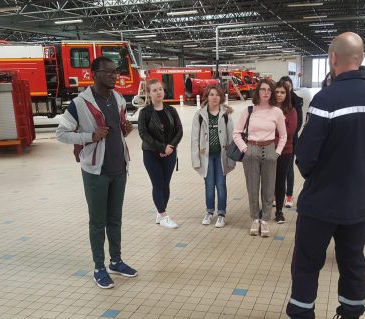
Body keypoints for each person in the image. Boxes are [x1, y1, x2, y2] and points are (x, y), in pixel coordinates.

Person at [272, 32, 365, 319]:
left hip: (321, 203)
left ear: (333, 59)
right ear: (362, 58)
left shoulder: (326, 100)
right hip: (357, 204)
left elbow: (307, 155)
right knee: (353, 265)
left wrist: (317, 175)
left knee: (307, 265)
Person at [56, 56, 137, 289]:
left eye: (115, 72)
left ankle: (116, 261)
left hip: (119, 167)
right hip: (95, 170)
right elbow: (61, 133)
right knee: (97, 221)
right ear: (95, 74)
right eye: (108, 71)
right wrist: (89, 136)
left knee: (115, 219)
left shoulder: (119, 99)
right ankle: (99, 267)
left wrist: (126, 129)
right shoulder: (79, 103)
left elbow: (119, 129)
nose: (114, 75)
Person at [233, 79, 287, 237]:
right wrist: (245, 149)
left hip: (270, 149)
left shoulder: (277, 112)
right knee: (252, 187)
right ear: (257, 92)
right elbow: (236, 133)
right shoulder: (249, 110)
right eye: (263, 89)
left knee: (269, 188)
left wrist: (277, 152)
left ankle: (265, 220)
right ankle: (255, 218)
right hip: (251, 149)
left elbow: (283, 135)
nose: (266, 92)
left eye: (269, 90)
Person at [138, 79, 184, 229]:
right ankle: (164, 215)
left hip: (170, 153)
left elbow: (179, 131)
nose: (159, 92)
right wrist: (161, 148)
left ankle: (160, 212)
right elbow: (143, 134)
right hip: (151, 154)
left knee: (165, 184)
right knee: (157, 184)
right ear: (148, 93)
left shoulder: (171, 110)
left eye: (160, 89)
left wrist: (170, 147)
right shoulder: (145, 112)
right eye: (155, 90)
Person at [190, 85, 236, 228]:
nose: (214, 97)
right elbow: (194, 139)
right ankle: (209, 212)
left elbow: (231, 139)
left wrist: (230, 159)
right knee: (209, 185)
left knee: (221, 185)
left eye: (217, 95)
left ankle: (221, 214)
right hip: (207, 157)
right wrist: (195, 159)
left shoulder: (226, 115)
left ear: (221, 97)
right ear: (207, 97)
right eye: (211, 95)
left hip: (221, 157)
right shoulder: (199, 115)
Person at [273, 80, 298, 223]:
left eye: (282, 92)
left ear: (287, 94)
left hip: (285, 151)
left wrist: (273, 131)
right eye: (277, 92)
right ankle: (265, 207)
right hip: (268, 150)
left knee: (280, 180)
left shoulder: (291, 111)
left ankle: (279, 211)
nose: (279, 95)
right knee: (268, 181)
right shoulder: (269, 109)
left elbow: (290, 132)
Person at [277, 76, 303, 209]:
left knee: (289, 170)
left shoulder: (296, 103)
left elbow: (297, 125)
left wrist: (285, 135)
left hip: (290, 142)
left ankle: (289, 195)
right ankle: (277, 196)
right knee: (277, 172)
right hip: (275, 145)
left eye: (288, 87)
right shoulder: (274, 105)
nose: (285, 89)